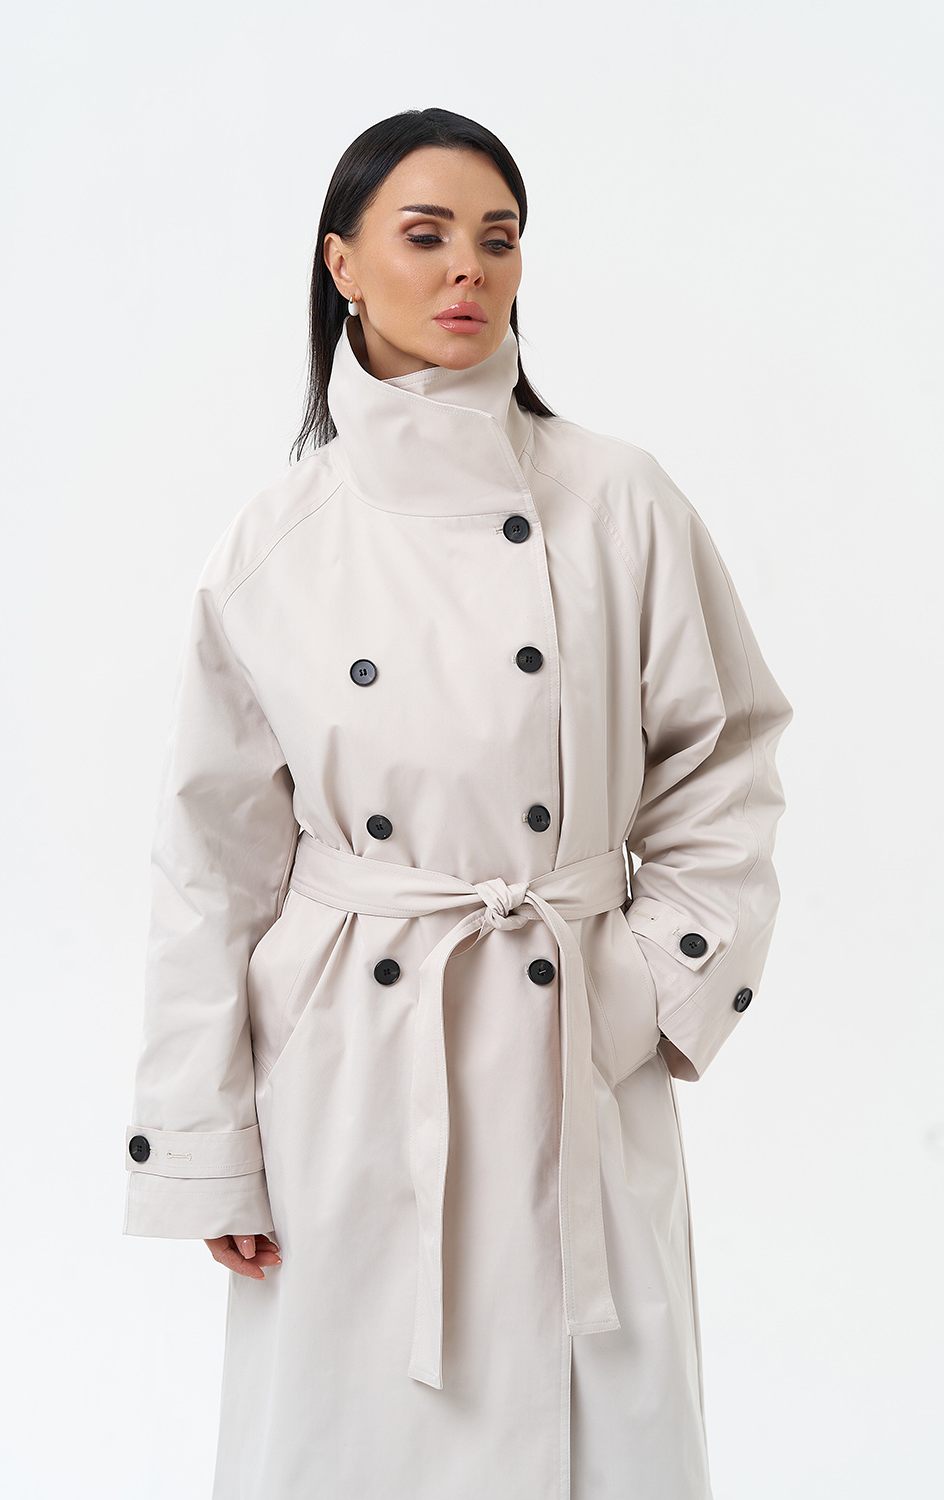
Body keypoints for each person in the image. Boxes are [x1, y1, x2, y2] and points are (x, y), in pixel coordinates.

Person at [123, 107, 792, 1500]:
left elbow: (723, 760)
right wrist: (207, 1148)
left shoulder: (620, 501)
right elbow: (212, 866)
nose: (467, 270)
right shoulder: (276, 543)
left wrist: (641, 989)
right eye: (424, 236)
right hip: (352, 1077)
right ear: (342, 264)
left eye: (499, 238)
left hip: (567, 1048)